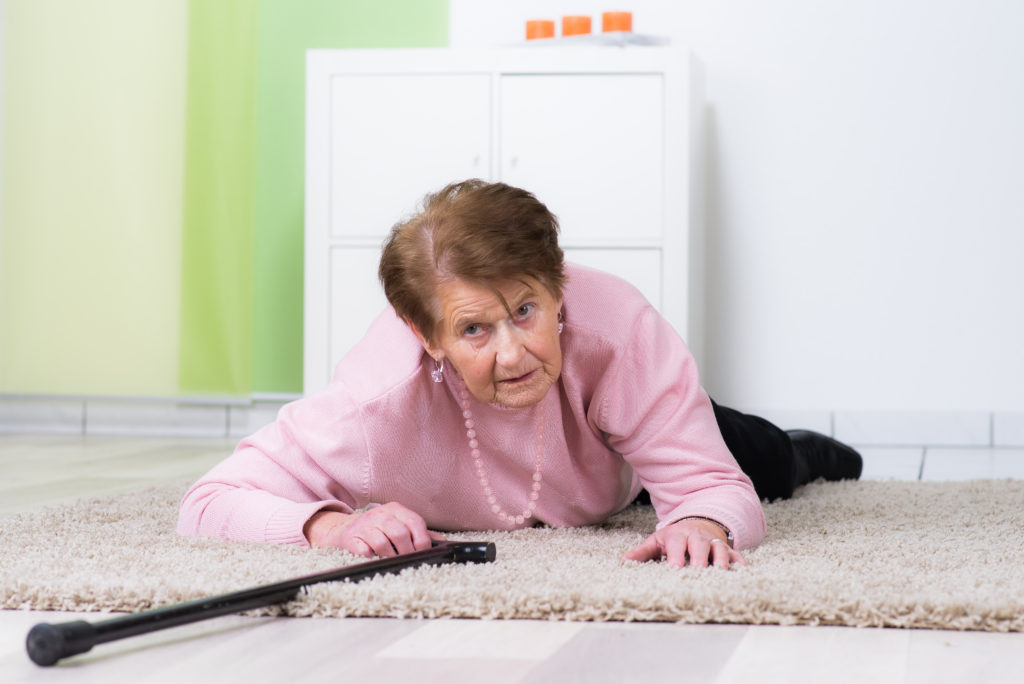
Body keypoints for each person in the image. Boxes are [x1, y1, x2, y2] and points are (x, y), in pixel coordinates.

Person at [178, 180, 861, 570]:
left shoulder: (616, 330)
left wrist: (706, 524)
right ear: (426, 336)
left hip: (624, 461)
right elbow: (208, 502)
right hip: (577, 482)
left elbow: (712, 484)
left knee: (767, 461)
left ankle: (808, 449)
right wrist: (327, 526)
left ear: (559, 289)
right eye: (475, 329)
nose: (514, 353)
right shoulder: (374, 400)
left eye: (526, 310)